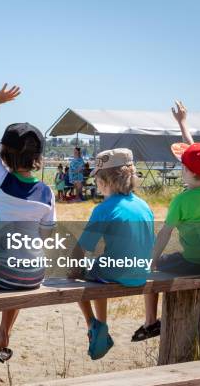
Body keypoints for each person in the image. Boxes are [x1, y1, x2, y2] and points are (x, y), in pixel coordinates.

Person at [0, 84, 56, 363]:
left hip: (0, 272)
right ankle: (4, 333)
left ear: (5, 154)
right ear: (37, 157)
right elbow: (46, 236)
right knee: (20, 269)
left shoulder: (0, 179)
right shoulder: (47, 193)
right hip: (34, 275)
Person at [132, 101, 200, 342]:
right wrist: (182, 123)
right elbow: (199, 154)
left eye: (183, 166)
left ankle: (151, 322)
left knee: (151, 268)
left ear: (189, 172)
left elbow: (164, 234)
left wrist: (151, 261)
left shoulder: (181, 201)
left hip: (193, 263)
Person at [76, 148, 154, 359]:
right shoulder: (144, 205)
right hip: (142, 272)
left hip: (118, 273)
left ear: (105, 181)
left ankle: (95, 323)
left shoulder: (104, 209)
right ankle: (99, 323)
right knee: (98, 265)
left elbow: (82, 248)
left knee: (77, 270)